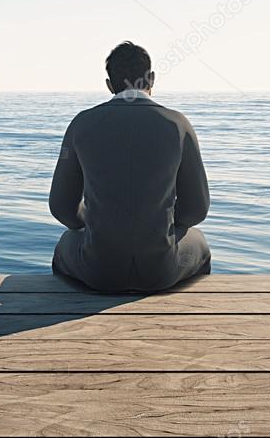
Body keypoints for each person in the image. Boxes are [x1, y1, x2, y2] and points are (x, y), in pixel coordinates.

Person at [49, 41, 211, 292]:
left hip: (99, 272)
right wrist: (165, 222)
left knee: (64, 243)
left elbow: (62, 208)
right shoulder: (178, 125)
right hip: (160, 272)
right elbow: (196, 211)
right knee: (199, 241)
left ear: (109, 85)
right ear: (152, 79)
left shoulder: (81, 124)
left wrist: (89, 220)